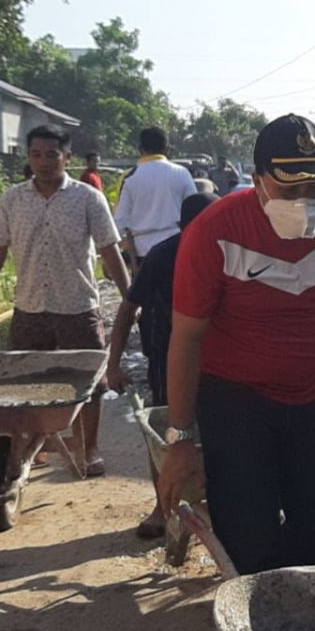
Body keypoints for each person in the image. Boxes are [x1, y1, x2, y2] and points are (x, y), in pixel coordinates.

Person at [157, 113, 315, 575]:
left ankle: (280, 593)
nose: (307, 202)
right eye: (291, 190)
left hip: (304, 394)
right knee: (249, 535)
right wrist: (180, 437)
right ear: (259, 182)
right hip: (233, 398)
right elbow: (187, 338)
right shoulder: (215, 231)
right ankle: (260, 594)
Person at [0, 124, 131, 479]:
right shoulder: (12, 199)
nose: (43, 162)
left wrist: (129, 301)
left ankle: (88, 447)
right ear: (28, 157)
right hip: (30, 307)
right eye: (36, 155)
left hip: (78, 306)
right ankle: (38, 443)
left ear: (67, 157)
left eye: (51, 154)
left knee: (91, 384)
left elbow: (110, 252)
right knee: (29, 383)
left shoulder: (87, 198)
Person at [106, 192, 220, 538]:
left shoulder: (230, 251)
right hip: (168, 357)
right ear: (184, 227)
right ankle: (161, 506)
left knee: (218, 430)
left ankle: (218, 501)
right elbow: (127, 309)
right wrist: (113, 364)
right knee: (167, 433)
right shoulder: (164, 254)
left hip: (219, 361)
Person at [113, 127, 197, 268]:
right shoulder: (182, 173)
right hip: (176, 248)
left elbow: (121, 221)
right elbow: (195, 211)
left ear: (140, 149)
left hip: (142, 252)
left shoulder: (129, 177)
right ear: (167, 149)